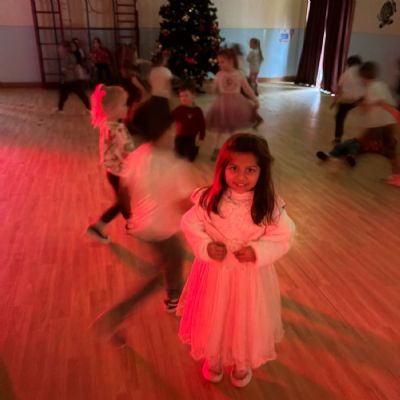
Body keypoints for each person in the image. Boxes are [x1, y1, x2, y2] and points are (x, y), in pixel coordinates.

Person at [177, 133, 296, 387]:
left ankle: (242, 362)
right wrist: (206, 246)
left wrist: (258, 251)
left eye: (250, 170)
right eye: (234, 168)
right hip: (214, 274)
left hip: (248, 277)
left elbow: (284, 236)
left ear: (262, 171)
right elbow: (189, 224)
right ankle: (214, 358)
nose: (241, 177)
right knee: (213, 316)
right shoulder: (209, 198)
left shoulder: (269, 206)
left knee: (245, 319)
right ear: (222, 168)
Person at [91, 102, 198, 342]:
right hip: (162, 230)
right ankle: (117, 315)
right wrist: (208, 203)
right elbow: (183, 205)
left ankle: (173, 297)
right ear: (169, 128)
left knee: (173, 261)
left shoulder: (138, 154)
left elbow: (124, 190)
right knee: (161, 273)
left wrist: (131, 217)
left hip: (143, 226)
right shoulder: (174, 166)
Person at [86, 84, 135, 243]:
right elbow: (128, 153)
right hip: (122, 174)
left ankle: (131, 224)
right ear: (113, 109)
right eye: (124, 104)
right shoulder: (118, 129)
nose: (127, 107)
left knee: (125, 201)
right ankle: (98, 227)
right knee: (122, 203)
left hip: (113, 172)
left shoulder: (106, 125)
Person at [206, 48, 261, 161]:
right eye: (219, 62)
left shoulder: (239, 74)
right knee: (220, 128)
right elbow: (215, 89)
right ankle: (216, 148)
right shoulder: (219, 74)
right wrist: (212, 87)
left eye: (222, 62)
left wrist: (255, 99)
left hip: (236, 104)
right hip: (222, 104)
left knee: (233, 128)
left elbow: (247, 89)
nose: (219, 64)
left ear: (231, 60)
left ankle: (234, 148)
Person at [331, 55, 364, 143]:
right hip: (359, 99)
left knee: (339, 118)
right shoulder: (362, 73)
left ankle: (338, 137)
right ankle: (364, 139)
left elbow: (339, 89)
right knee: (365, 119)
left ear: (349, 64)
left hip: (346, 100)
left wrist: (335, 100)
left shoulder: (346, 73)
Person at [172, 82, 206, 161]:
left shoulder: (197, 111)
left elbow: (202, 125)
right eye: (181, 96)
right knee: (178, 153)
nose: (183, 98)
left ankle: (195, 149)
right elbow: (170, 118)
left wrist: (201, 137)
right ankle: (180, 149)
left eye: (186, 96)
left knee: (190, 157)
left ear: (193, 96)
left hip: (190, 137)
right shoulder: (178, 109)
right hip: (179, 136)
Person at [56, 40, 90, 112]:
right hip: (67, 80)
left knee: (81, 94)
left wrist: (66, 68)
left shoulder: (71, 56)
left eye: (61, 48)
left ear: (66, 48)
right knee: (63, 95)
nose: (59, 49)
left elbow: (75, 66)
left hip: (74, 80)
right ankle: (60, 109)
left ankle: (90, 108)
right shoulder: (65, 56)